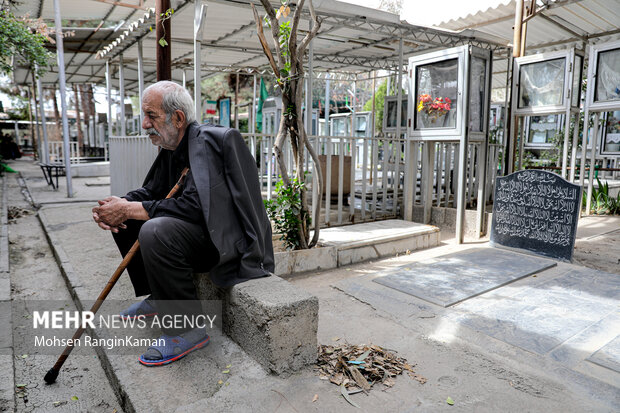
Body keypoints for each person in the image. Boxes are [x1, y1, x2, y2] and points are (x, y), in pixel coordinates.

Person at [92, 81, 274, 366]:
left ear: (177, 118)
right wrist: (117, 205)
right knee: (132, 215)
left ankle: (187, 329)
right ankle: (159, 296)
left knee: (154, 228)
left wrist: (131, 208)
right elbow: (151, 192)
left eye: (151, 116)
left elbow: (198, 207)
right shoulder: (170, 148)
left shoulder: (214, 142)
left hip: (222, 242)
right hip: (196, 235)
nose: (144, 124)